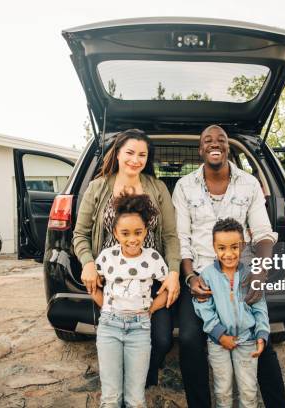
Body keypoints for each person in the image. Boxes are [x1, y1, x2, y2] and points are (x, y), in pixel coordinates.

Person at [172, 124, 285, 407]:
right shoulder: (184, 186)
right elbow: (181, 239)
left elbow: (262, 233)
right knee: (188, 339)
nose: (215, 144)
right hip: (200, 275)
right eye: (208, 140)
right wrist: (189, 279)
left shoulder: (249, 184)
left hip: (241, 274)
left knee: (263, 339)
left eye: (221, 140)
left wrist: (259, 274)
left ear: (228, 148)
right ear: (200, 150)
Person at [72, 129, 181, 387]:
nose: (135, 159)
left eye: (142, 154)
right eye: (130, 152)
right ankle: (117, 384)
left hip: (151, 277)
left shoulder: (157, 187)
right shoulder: (98, 187)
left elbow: (170, 235)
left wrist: (174, 272)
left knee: (163, 339)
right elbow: (80, 234)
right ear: (118, 153)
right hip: (111, 279)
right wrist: (88, 262)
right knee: (114, 338)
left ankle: (141, 380)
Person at [91, 194, 169, 407]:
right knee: (110, 398)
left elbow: (167, 288)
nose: (132, 239)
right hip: (109, 327)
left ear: (146, 231)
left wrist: (151, 309)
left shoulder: (153, 258)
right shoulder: (107, 257)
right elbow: (94, 286)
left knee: (135, 399)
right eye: (125, 233)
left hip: (140, 329)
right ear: (115, 232)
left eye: (138, 232)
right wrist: (106, 307)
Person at [193, 218, 269, 408]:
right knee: (223, 391)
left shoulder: (250, 275)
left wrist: (262, 333)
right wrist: (219, 334)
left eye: (234, 247)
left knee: (249, 391)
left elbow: (260, 307)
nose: (228, 254)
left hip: (247, 340)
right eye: (222, 248)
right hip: (218, 343)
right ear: (214, 247)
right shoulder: (207, 275)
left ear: (242, 245)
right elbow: (203, 308)